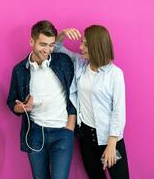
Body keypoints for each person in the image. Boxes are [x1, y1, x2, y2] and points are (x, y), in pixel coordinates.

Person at [55, 25, 130, 179]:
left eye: (86, 44)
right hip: (86, 138)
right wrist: (62, 34)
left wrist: (111, 145)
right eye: (82, 42)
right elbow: (56, 48)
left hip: (109, 138)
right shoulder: (80, 64)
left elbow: (118, 111)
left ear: (97, 46)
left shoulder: (115, 74)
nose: (81, 47)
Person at [7, 20, 76, 179]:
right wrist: (21, 107)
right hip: (35, 133)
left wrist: (69, 128)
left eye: (51, 45)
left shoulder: (63, 61)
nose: (47, 50)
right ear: (32, 41)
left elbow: (74, 94)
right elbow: (11, 102)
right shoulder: (20, 70)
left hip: (62, 133)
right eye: (43, 44)